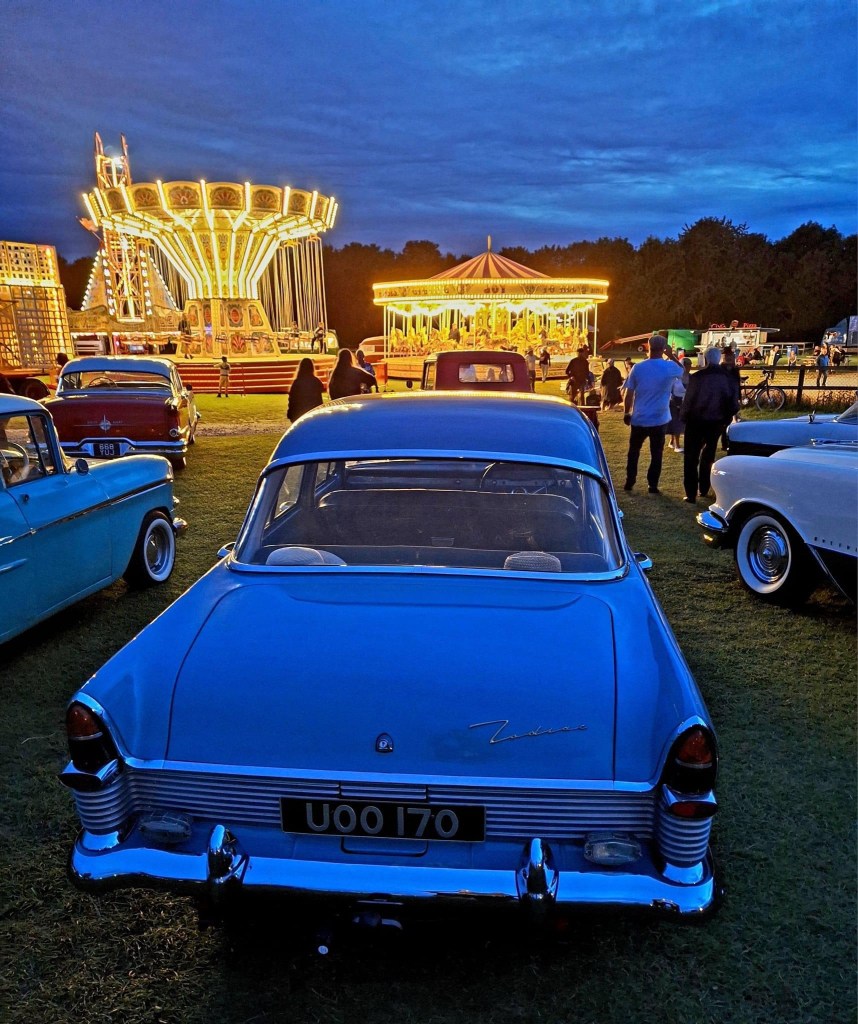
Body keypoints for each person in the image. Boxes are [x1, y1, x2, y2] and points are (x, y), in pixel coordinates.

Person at [621, 335, 683, 494]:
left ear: (648, 347)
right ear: (663, 348)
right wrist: (671, 355)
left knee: (634, 451)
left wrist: (627, 412)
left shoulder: (638, 367)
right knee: (656, 453)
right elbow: (682, 371)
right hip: (659, 418)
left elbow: (629, 393)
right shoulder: (669, 367)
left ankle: (630, 480)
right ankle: (652, 484)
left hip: (640, 417)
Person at [679, 348, 740, 504]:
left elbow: (688, 400)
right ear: (719, 359)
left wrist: (684, 416)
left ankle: (691, 493)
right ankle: (704, 488)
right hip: (717, 421)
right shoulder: (729, 378)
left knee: (691, 457)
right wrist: (726, 418)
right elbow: (734, 404)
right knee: (708, 455)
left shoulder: (697, 377)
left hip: (696, 421)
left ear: (705, 359)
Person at [286, 357, 325, 423]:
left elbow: (292, 399)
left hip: (298, 412)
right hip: (313, 411)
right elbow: (319, 398)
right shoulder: (316, 381)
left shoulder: (297, 382)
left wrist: (290, 412)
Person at [668, 358, 692, 451]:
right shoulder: (675, 378)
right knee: (676, 423)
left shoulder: (691, 377)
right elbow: (669, 391)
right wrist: (674, 402)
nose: (689, 367)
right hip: (675, 402)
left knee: (683, 423)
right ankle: (677, 445)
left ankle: (671, 441)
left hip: (686, 403)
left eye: (690, 365)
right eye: (687, 365)